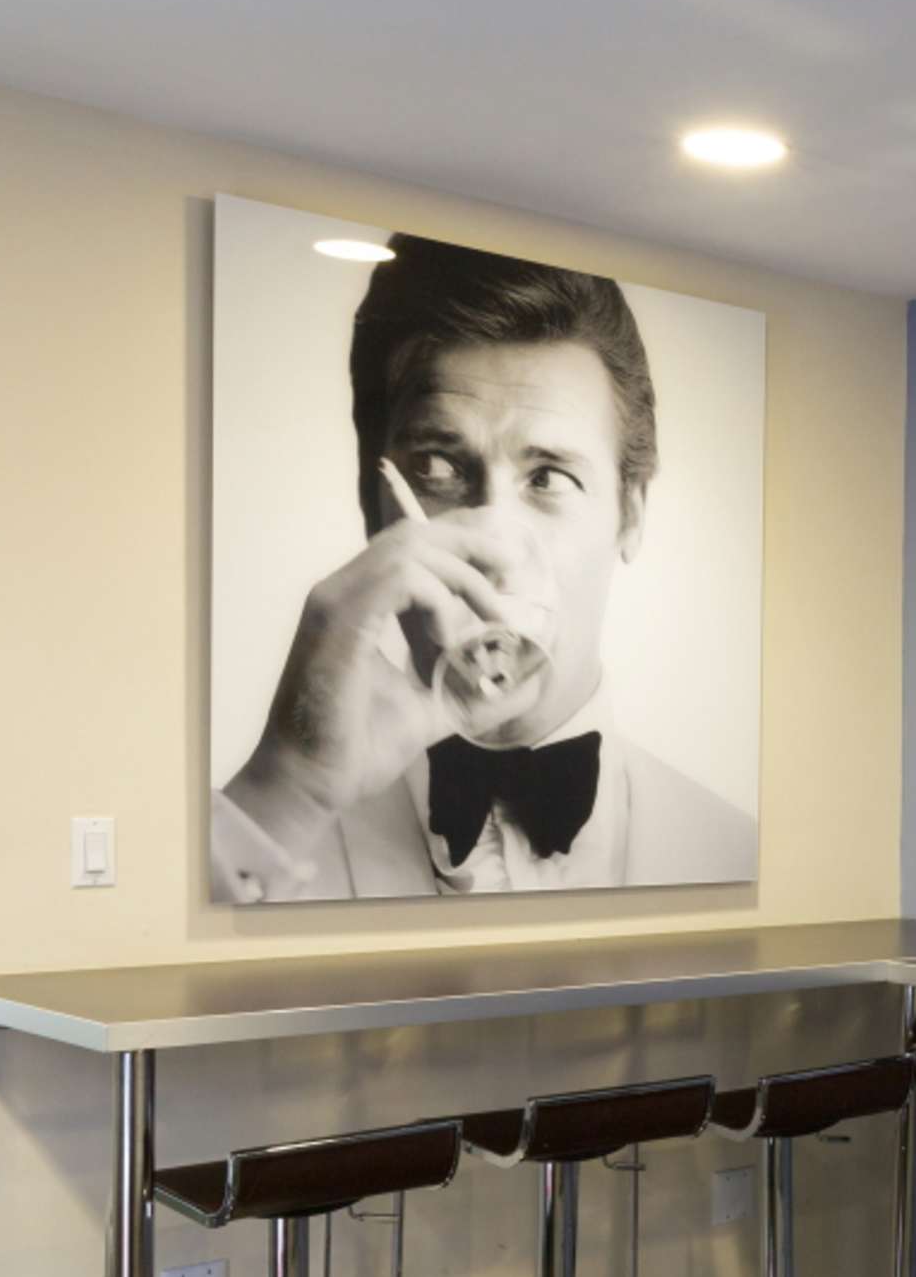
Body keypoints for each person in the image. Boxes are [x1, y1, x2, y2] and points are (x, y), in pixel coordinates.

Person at [211, 236, 752, 900]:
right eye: (438, 469)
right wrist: (288, 786)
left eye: (548, 478)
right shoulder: (257, 835)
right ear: (369, 500)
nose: (492, 548)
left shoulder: (737, 850)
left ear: (630, 515)